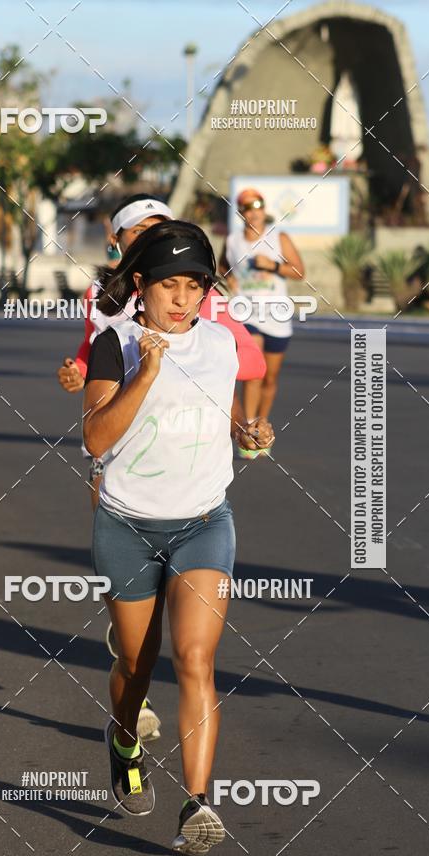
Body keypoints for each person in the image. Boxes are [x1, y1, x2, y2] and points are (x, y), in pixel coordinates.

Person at [83, 219, 274, 853]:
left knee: (195, 660)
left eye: (195, 286)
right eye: (170, 285)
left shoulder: (222, 344)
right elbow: (96, 438)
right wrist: (145, 374)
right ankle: (122, 739)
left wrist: (247, 437)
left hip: (202, 524)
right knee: (136, 664)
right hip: (128, 527)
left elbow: (221, 420)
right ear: (141, 283)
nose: (183, 299)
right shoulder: (115, 345)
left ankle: (198, 805)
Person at [58, 195, 266, 742]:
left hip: (197, 497)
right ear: (122, 243)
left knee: (189, 652)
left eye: (158, 229)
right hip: (116, 461)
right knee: (137, 636)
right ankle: (131, 648)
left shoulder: (198, 307)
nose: (148, 237)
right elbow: (91, 355)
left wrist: (246, 432)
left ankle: (192, 791)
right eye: (138, 231)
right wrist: (81, 372)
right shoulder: (105, 304)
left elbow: (235, 372)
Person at [219, 188, 305, 454]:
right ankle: (249, 431)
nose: (253, 212)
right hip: (246, 314)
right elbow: (222, 266)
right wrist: (227, 278)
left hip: (277, 316)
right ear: (241, 213)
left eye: (257, 206)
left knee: (270, 377)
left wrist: (273, 266)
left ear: (263, 210)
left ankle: (262, 426)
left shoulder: (278, 238)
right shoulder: (233, 241)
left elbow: (299, 272)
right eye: (247, 207)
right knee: (253, 373)